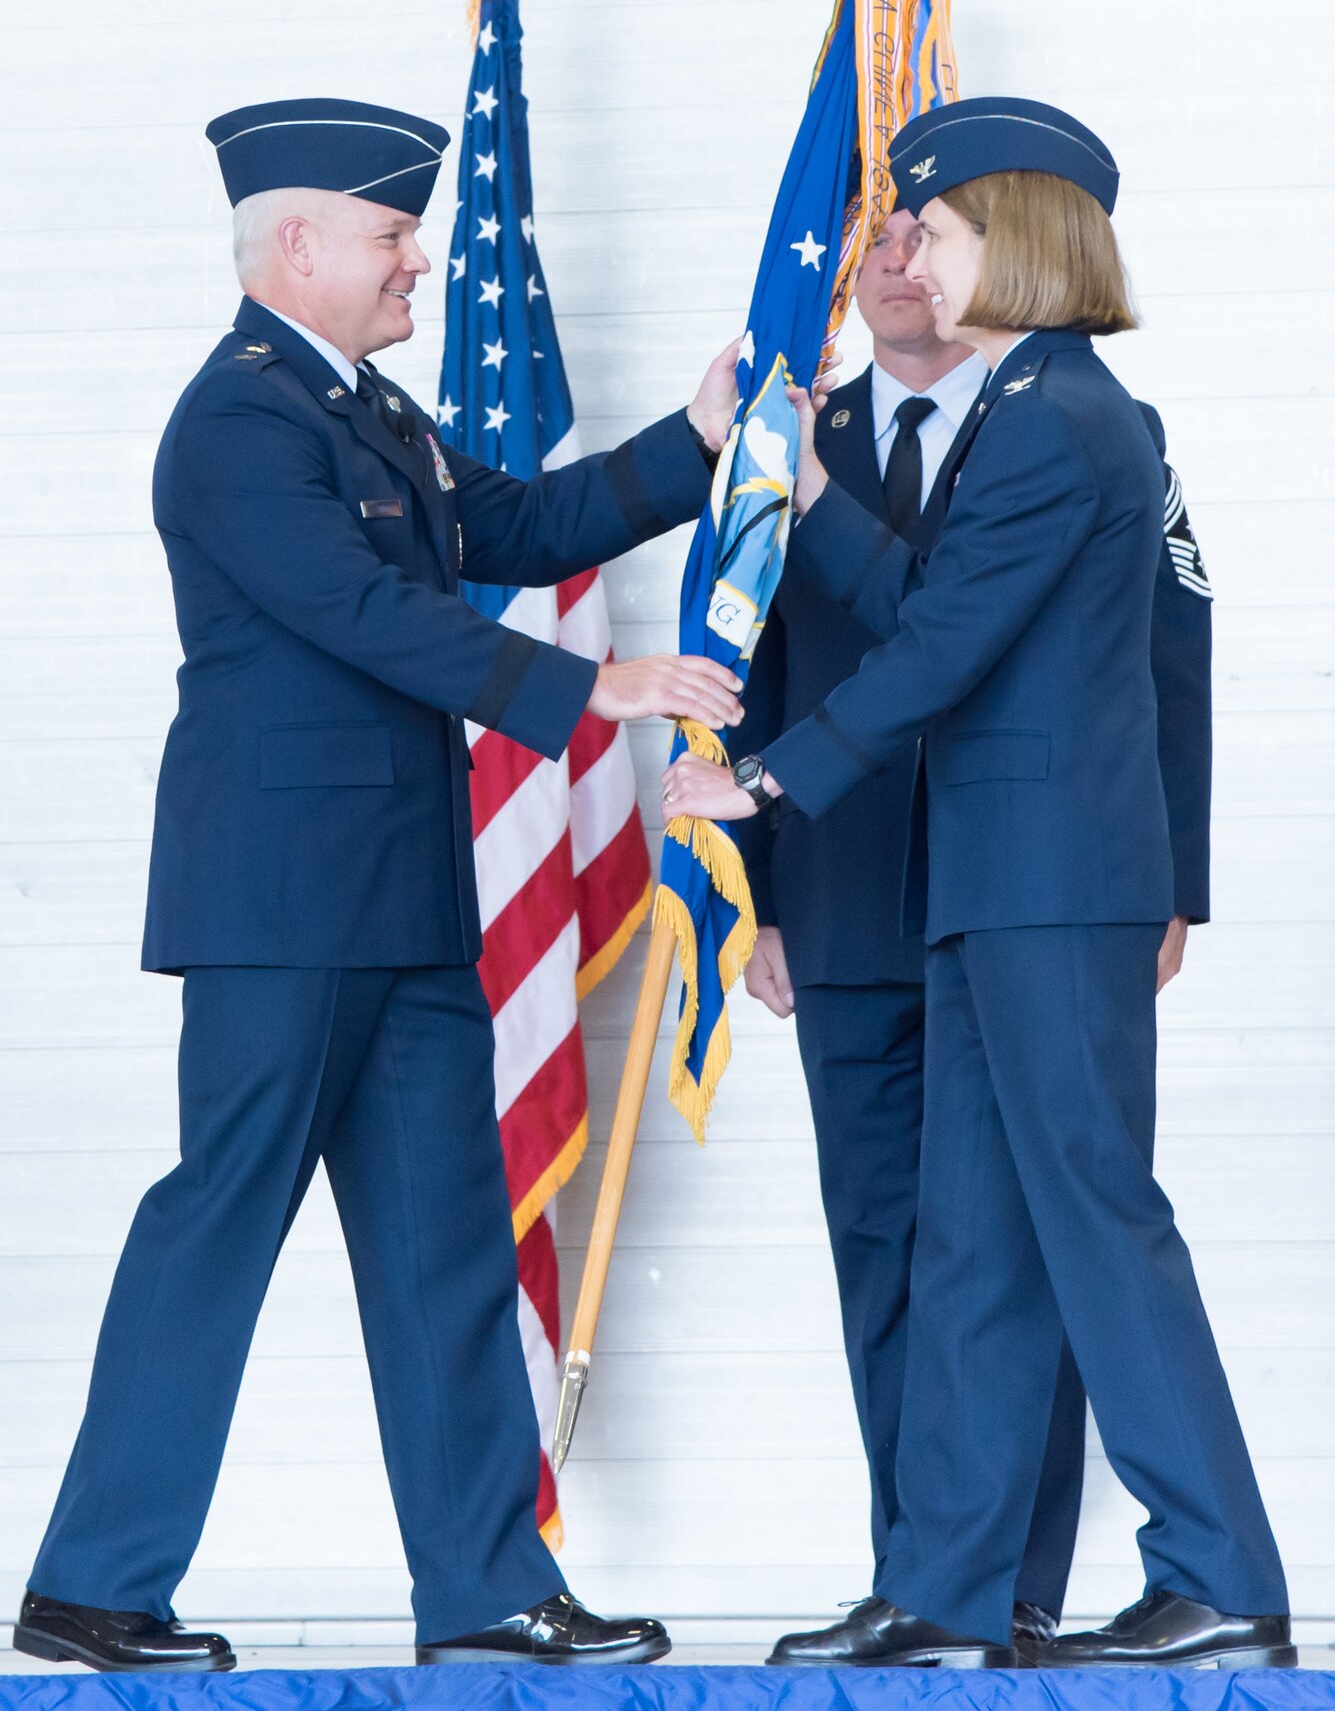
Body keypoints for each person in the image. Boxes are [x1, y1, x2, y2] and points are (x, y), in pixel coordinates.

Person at [15, 98, 745, 1675]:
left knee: (446, 1249)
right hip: (279, 907)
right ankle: (93, 1586)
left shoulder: (372, 417)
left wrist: (692, 446)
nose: (418, 259)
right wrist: (592, 691)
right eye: (392, 235)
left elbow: (518, 523)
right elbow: (358, 609)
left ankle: (485, 1590)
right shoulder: (238, 423)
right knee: (219, 1223)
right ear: (297, 246)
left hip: (401, 902)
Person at [662, 97, 1294, 1671]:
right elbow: (931, 604)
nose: (906, 253)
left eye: (930, 228)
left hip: (1049, 884)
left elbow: (937, 649)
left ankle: (1217, 1568)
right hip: (990, 881)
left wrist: (760, 780)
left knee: (1090, 1219)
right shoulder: (1039, 415)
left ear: (1013, 241)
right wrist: (807, 495)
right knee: (972, 1243)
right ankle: (944, 1589)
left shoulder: (1066, 417)